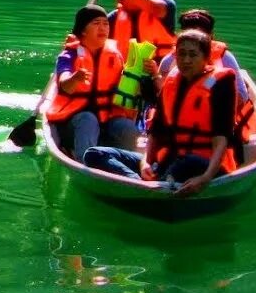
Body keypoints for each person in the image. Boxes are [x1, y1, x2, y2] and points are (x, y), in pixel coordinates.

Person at [81, 30, 238, 197]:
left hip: (206, 165)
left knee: (187, 162)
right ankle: (143, 186)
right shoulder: (172, 81)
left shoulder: (221, 83)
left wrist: (205, 178)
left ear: (207, 58)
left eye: (193, 55)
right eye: (181, 54)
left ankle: (148, 191)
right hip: (169, 160)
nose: (186, 60)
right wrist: (145, 162)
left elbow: (221, 138)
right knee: (94, 154)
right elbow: (156, 131)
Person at [158, 8, 256, 163]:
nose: (186, 59)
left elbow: (242, 96)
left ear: (209, 37)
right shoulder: (169, 61)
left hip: (216, 125)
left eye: (200, 35)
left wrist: (213, 109)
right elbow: (163, 97)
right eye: (188, 33)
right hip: (179, 125)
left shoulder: (226, 59)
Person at [45, 5, 141, 161]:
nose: (103, 28)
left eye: (105, 23)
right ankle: (87, 162)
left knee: (127, 127)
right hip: (73, 124)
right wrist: (75, 78)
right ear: (83, 30)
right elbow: (64, 84)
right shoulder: (69, 56)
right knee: (88, 119)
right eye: (96, 23)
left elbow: (126, 88)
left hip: (106, 120)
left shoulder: (115, 55)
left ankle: (130, 165)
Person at [92, 0, 177, 61]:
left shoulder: (164, 6)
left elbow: (154, 7)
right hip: (127, 74)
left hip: (160, 72)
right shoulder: (114, 18)